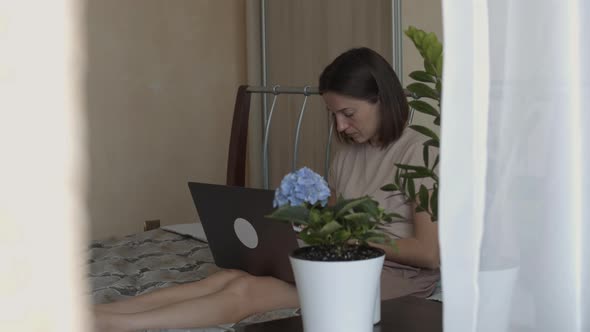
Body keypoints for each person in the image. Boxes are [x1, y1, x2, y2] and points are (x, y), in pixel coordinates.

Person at [94, 47, 440, 332]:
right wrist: (301, 221)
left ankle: (119, 326)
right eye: (333, 115)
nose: (340, 126)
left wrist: (354, 240)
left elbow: (429, 254)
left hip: (391, 277)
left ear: (382, 99)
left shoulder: (421, 154)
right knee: (231, 275)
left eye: (348, 113)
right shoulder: (349, 154)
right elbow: (338, 214)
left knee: (248, 290)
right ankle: (106, 312)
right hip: (341, 259)